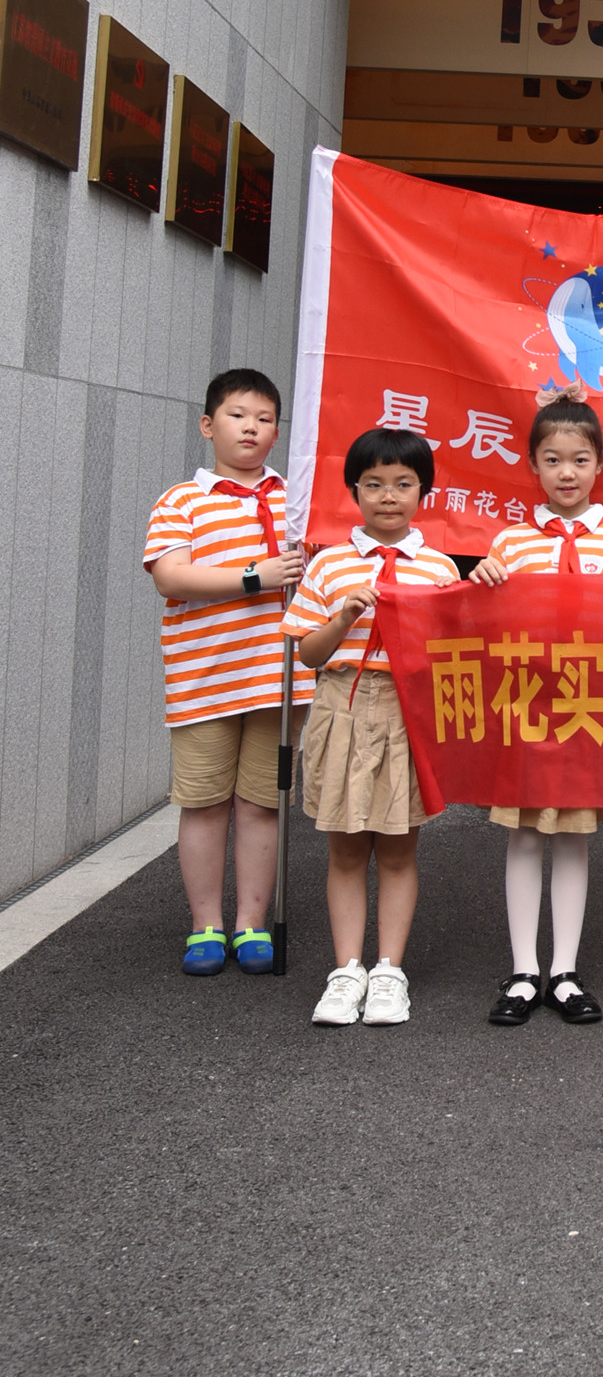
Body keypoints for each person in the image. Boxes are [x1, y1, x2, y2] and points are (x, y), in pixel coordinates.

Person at [470, 395, 603, 1026]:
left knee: (574, 836)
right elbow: (484, 625)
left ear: (601, 463)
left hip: (586, 706)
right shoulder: (511, 542)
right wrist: (484, 580)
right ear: (533, 465)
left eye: (579, 459)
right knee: (523, 834)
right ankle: (523, 971)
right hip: (525, 704)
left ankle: (565, 971)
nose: (567, 472)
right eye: (553, 460)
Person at [285, 427, 459, 1026]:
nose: (389, 496)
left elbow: (452, 650)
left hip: (408, 711)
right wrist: (343, 617)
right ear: (353, 491)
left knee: (399, 844)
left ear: (424, 492)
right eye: (375, 484)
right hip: (342, 704)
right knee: (345, 845)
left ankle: (389, 971)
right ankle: (345, 971)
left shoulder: (438, 566)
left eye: (404, 484)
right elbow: (307, 653)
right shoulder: (330, 563)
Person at [143, 369, 305, 976]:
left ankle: (250, 923)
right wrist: (252, 578)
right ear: (209, 425)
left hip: (278, 681)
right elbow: (170, 576)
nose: (252, 429)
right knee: (205, 804)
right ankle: (205, 923)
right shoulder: (181, 501)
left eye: (265, 420)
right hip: (203, 679)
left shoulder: (296, 499)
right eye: (239, 416)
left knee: (263, 804)